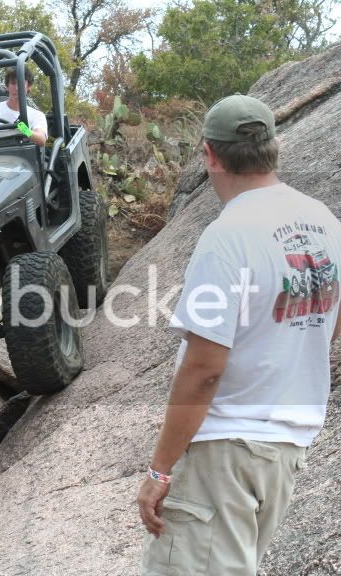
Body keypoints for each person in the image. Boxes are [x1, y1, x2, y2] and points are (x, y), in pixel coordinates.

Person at [137, 94, 341, 575]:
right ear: (275, 147)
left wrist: (159, 470)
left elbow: (205, 367)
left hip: (224, 452)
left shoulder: (227, 236)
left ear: (210, 155)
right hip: (284, 451)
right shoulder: (325, 223)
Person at [0, 68, 47, 146]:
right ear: (7, 86)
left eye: (20, 83)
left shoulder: (37, 115)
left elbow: (41, 140)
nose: (16, 88)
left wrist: (23, 129)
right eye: (13, 83)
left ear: (29, 86)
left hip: (21, 156)